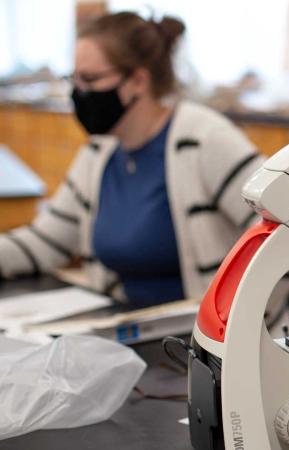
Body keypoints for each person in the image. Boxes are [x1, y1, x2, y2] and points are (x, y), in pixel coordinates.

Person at [0, 12, 264, 306]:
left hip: (199, 345)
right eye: (73, 79)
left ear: (138, 80)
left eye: (89, 79)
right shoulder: (99, 152)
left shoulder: (205, 140)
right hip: (129, 332)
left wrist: (236, 323)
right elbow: (46, 240)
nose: (78, 92)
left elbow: (285, 232)